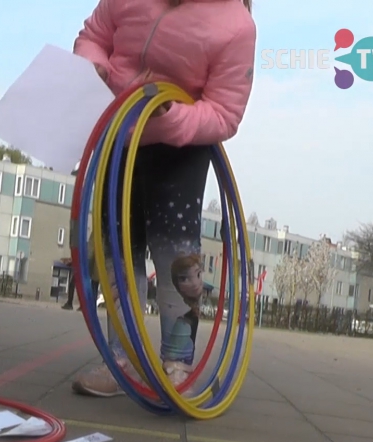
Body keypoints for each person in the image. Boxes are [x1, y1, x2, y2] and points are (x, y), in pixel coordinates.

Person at [69, 0, 256, 398]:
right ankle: (121, 360)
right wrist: (92, 64)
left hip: (179, 148)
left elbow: (225, 113)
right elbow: (94, 37)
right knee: (117, 252)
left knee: (176, 257)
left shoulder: (235, 25)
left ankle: (177, 365)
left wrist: (171, 116)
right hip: (117, 137)